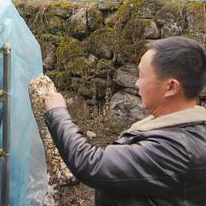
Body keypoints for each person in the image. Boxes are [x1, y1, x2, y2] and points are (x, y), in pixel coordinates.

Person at [37, 36, 206, 205]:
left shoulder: (178, 150)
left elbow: (92, 164)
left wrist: (57, 111)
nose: (136, 84)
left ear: (171, 87)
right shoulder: (181, 130)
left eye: (141, 76)